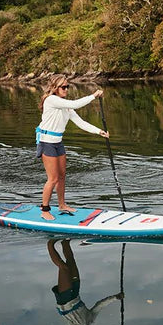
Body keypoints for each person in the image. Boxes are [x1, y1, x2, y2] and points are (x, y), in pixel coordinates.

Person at [37, 74, 108, 220]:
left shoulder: (64, 106)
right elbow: (75, 104)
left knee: (62, 176)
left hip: (58, 143)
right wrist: (93, 95)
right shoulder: (51, 100)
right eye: (63, 87)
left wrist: (99, 131)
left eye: (67, 86)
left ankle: (62, 205)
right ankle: (44, 210)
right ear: (55, 88)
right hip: (47, 143)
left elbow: (80, 122)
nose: (66, 89)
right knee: (53, 178)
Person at [48, 239, 125, 325]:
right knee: (71, 262)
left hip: (65, 302)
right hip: (75, 295)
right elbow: (100, 305)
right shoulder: (90, 320)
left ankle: (50, 243)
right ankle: (65, 242)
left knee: (63, 268)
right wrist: (115, 297)